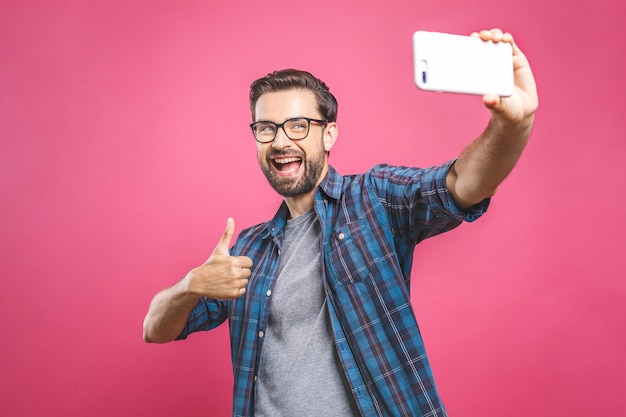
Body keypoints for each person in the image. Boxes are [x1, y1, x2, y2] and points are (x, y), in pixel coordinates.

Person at [143, 28, 538, 417]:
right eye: (266, 129)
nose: (281, 142)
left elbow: (460, 184)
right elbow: (156, 329)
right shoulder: (247, 250)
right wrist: (191, 284)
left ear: (328, 134)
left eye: (298, 126)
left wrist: (512, 126)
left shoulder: (374, 200)